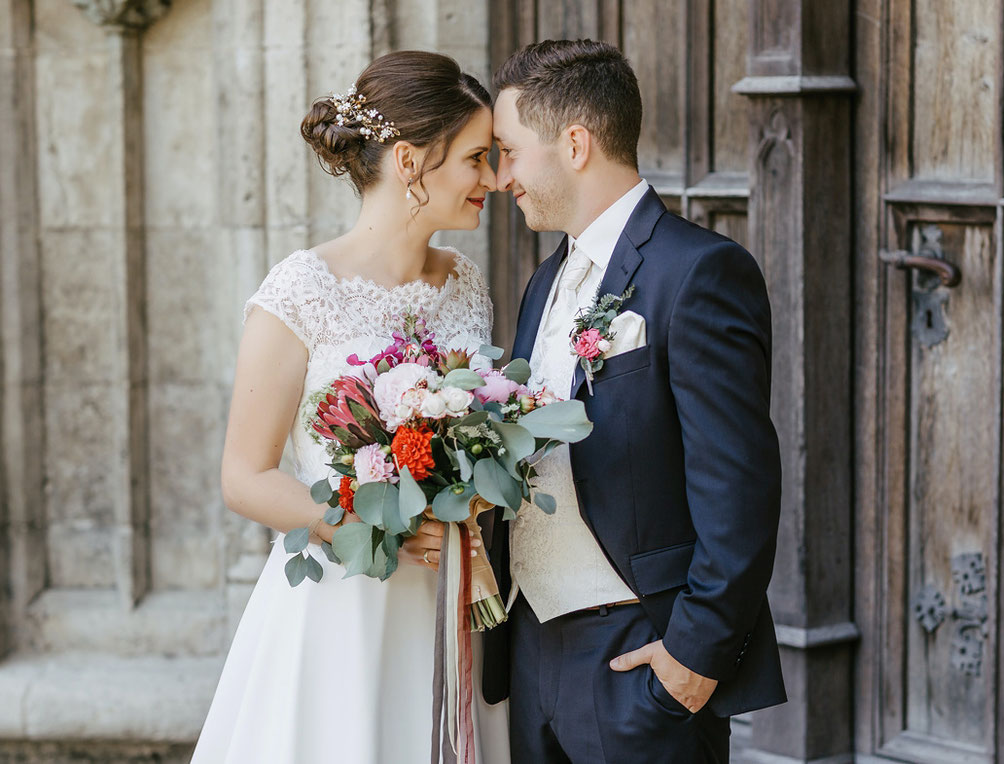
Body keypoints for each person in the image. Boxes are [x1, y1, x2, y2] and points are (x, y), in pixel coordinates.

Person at [192, 51, 509, 764]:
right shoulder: (300, 290)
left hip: (446, 603)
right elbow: (245, 476)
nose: (492, 179)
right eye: (476, 159)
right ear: (409, 161)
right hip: (341, 599)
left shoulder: (465, 284)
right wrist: (375, 524)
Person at [483, 39, 787, 763]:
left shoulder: (700, 273)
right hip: (530, 657)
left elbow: (738, 486)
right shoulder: (543, 282)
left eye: (510, 151)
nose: (501, 178)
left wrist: (693, 656)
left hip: (640, 661)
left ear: (576, 143)